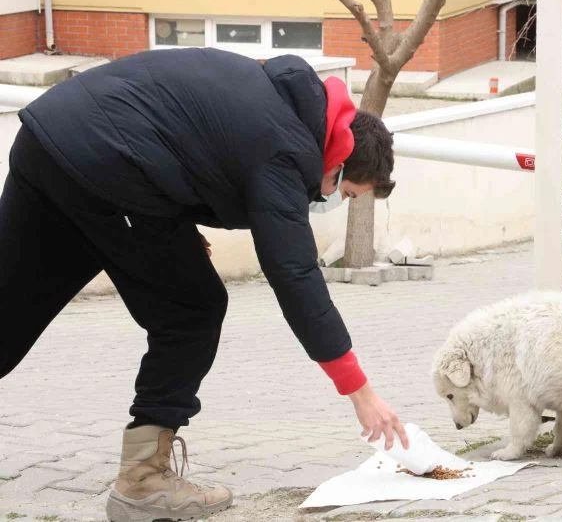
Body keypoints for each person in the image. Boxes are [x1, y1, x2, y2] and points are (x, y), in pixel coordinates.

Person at [0, 47, 408, 521]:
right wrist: (360, 391)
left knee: (8, 308)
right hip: (103, 171)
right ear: (339, 158)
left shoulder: (281, 98)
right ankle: (143, 482)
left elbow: (185, 137)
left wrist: (181, 221)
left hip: (48, 138)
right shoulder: (289, 149)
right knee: (192, 311)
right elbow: (295, 276)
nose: (332, 198)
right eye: (343, 189)